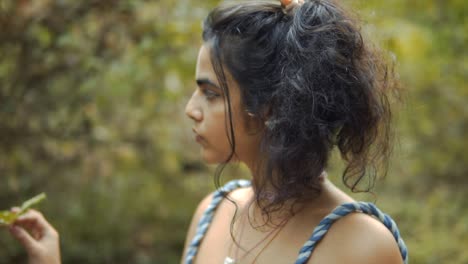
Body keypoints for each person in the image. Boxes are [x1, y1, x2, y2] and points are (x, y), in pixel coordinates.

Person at [9, 0, 408, 263]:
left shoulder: (361, 246)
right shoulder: (213, 213)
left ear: (268, 108)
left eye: (211, 94)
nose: (191, 110)